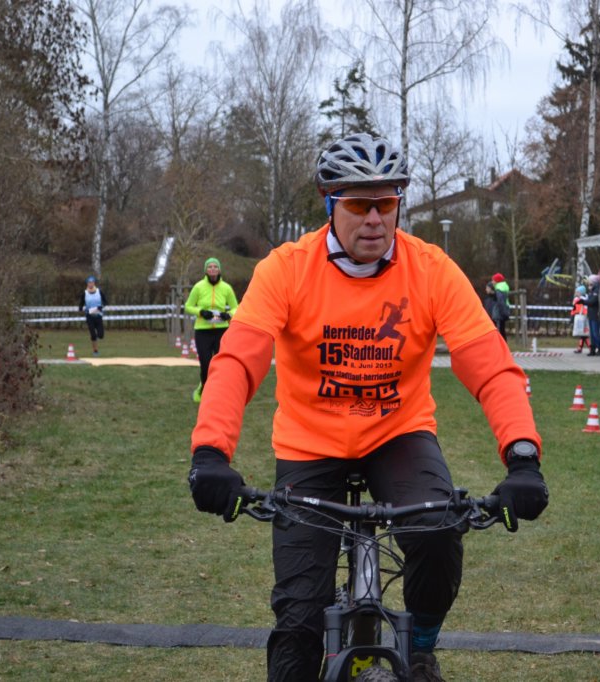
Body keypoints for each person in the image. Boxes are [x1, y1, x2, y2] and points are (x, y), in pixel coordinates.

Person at [187, 132, 548, 682]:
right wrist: (211, 452)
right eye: (359, 205)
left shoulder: (431, 269)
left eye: (387, 202)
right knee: (298, 625)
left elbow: (490, 364)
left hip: (398, 435)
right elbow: (237, 361)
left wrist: (522, 456)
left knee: (438, 530)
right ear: (329, 203)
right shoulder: (286, 269)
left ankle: (420, 646)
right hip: (309, 444)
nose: (375, 218)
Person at [184, 258, 239, 403]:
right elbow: (188, 306)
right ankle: (203, 388)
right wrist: (201, 312)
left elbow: (236, 307)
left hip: (221, 331)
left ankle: (219, 392)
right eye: (210, 267)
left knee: (221, 364)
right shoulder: (198, 287)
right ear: (206, 270)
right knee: (205, 363)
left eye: (215, 266)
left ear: (219, 270)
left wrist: (228, 314)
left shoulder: (226, 288)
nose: (213, 269)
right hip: (203, 331)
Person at [78, 276, 107, 356]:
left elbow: (105, 302)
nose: (90, 284)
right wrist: (80, 308)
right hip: (89, 316)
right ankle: (95, 351)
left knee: (101, 335)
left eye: (92, 282)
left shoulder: (99, 291)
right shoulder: (85, 293)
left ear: (94, 283)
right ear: (87, 284)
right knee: (93, 335)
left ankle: (96, 338)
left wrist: (101, 306)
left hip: (98, 315)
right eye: (89, 283)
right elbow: (81, 303)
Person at [490, 272, 511, 341]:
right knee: (502, 329)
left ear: (497, 281)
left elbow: (500, 301)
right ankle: (504, 344)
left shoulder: (499, 289)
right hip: (504, 310)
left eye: (493, 280)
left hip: (499, 313)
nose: (492, 282)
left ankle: (501, 344)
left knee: (499, 330)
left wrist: (503, 313)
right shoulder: (503, 288)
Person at [584, 274, 600, 356]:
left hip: (595, 315)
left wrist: (583, 302)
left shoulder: (597, 290)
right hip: (591, 314)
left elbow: (592, 301)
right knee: (592, 334)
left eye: (590, 281)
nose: (589, 283)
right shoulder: (592, 290)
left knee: (595, 333)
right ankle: (593, 349)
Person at [571, 285, 590, 353]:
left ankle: (589, 347)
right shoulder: (586, 298)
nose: (576, 293)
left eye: (577, 292)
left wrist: (572, 317)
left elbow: (575, 309)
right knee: (583, 334)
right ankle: (581, 347)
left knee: (583, 334)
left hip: (581, 318)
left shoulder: (580, 300)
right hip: (583, 317)